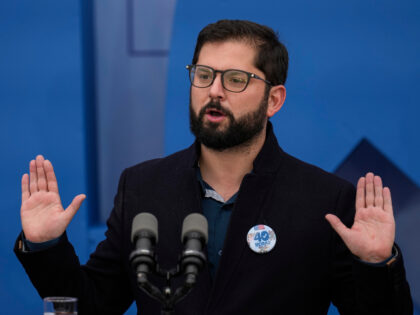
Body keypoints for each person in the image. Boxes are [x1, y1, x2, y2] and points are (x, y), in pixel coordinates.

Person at [15, 20, 412, 314]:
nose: (214, 91)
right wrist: (46, 246)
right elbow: (92, 305)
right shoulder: (142, 186)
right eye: (203, 75)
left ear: (274, 100)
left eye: (236, 79)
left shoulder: (325, 199)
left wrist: (376, 264)